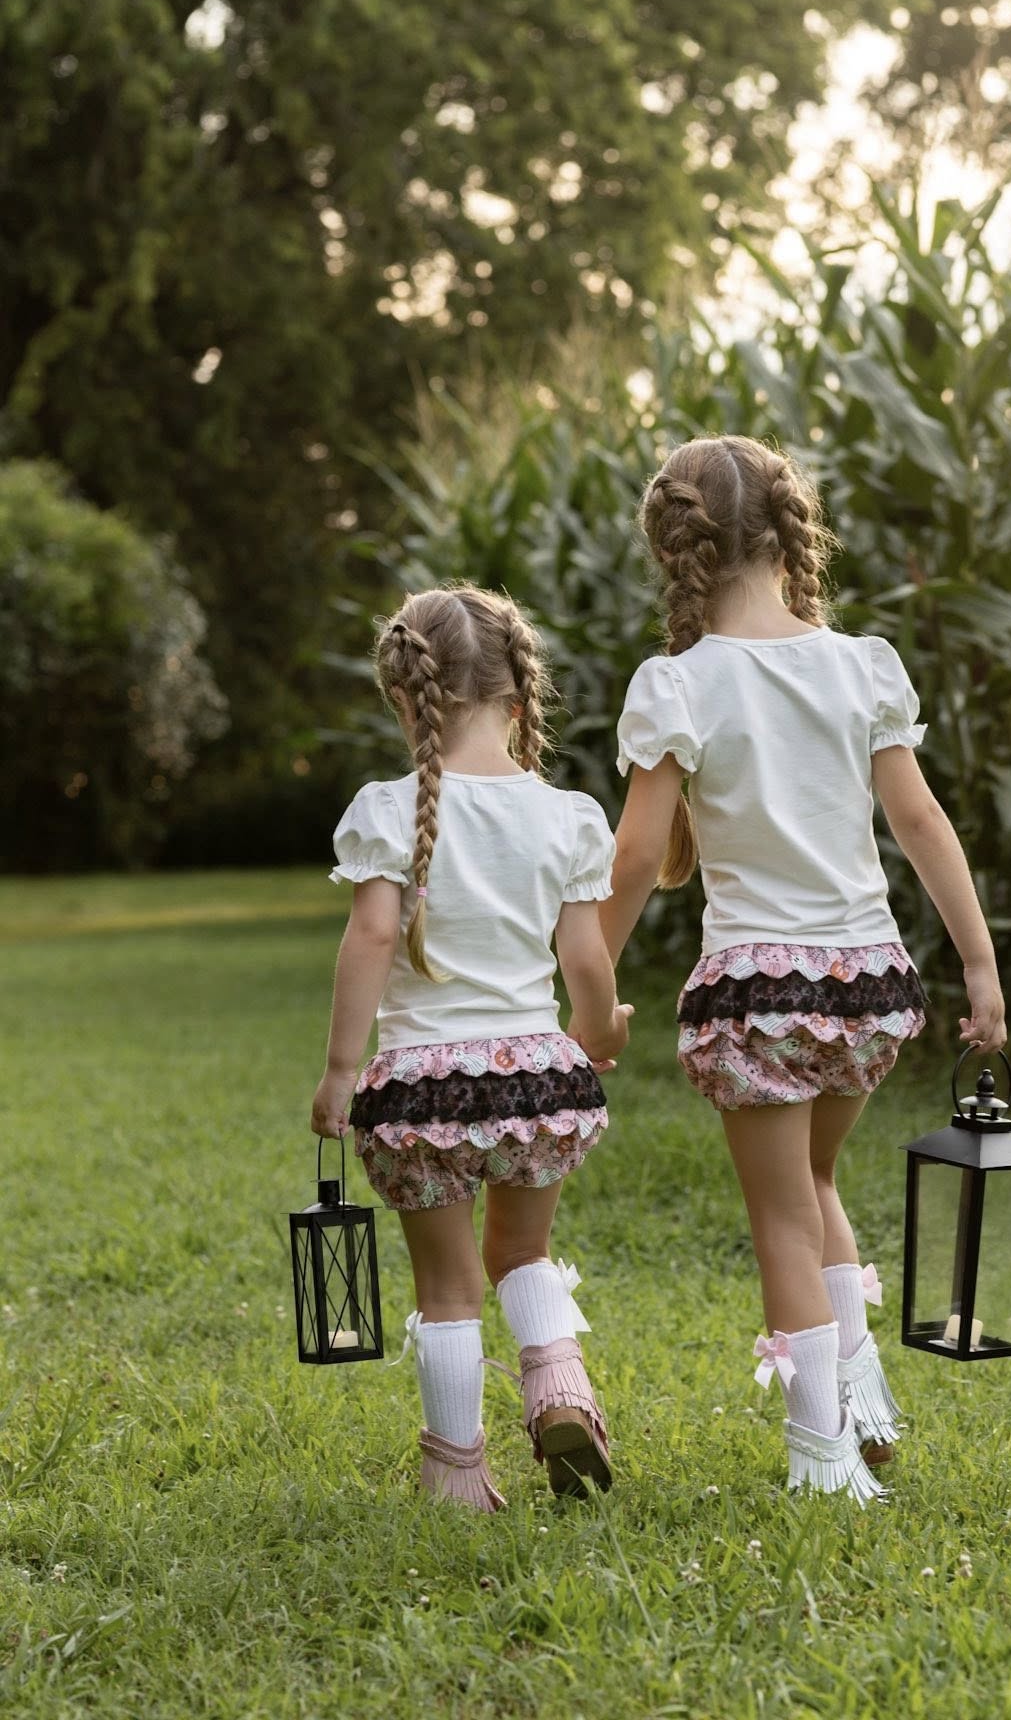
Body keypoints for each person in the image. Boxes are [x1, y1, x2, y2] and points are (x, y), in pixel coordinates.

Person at [601, 436, 1007, 1505]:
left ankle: (820, 1450)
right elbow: (916, 818)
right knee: (815, 1183)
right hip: (867, 985)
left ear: (674, 548)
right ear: (787, 532)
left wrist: (585, 969)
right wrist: (977, 960)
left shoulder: (677, 683)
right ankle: (862, 1386)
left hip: (759, 994)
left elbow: (639, 854)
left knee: (781, 1210)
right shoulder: (858, 660)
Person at [310, 585, 630, 1506]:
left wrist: (341, 1072)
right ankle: (559, 1385)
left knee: (448, 1289)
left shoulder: (386, 808)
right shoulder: (566, 816)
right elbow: (586, 957)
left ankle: (457, 1476)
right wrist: (597, 1032)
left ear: (409, 701)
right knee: (522, 1255)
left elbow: (370, 940)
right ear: (520, 700)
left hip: (419, 1093)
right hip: (534, 1078)